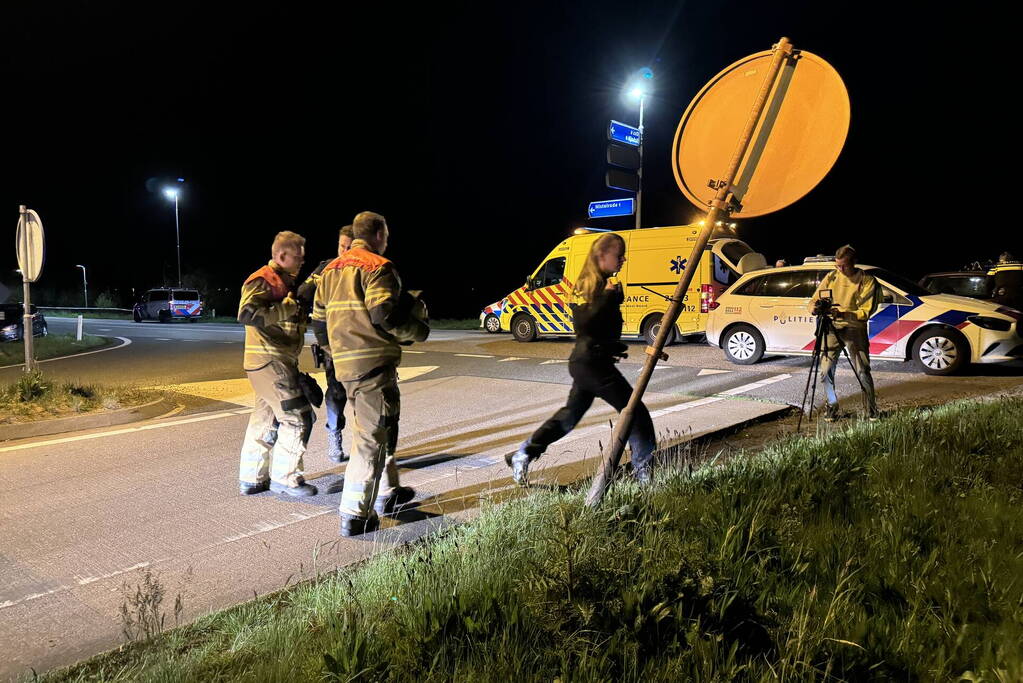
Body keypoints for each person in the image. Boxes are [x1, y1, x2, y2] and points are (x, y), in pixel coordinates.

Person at [313, 211, 429, 536]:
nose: (388, 241)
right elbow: (383, 314)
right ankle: (355, 514)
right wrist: (417, 330)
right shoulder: (378, 266)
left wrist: (333, 355)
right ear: (378, 234)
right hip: (372, 365)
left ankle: (389, 493)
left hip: (345, 366)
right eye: (387, 235)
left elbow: (319, 322)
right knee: (370, 437)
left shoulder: (329, 272)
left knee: (380, 427)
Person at [507, 233, 656, 486]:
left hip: (593, 362)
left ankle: (522, 454)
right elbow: (584, 325)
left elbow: (600, 329)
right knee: (636, 414)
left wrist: (615, 344)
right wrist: (609, 299)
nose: (623, 259)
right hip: (591, 364)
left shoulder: (604, 284)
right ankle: (645, 479)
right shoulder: (588, 285)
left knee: (568, 418)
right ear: (602, 256)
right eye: (618, 255)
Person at [237, 230, 318, 497]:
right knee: (298, 417)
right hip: (270, 360)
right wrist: (288, 307)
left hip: (271, 361)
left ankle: (252, 478)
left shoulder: (285, 283)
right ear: (282, 255)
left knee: (265, 418)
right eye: (298, 257)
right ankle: (286, 478)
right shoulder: (264, 279)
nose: (302, 262)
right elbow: (247, 314)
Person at [297, 225, 354, 463]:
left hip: (362, 345)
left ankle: (368, 446)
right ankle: (335, 436)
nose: (345, 251)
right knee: (337, 393)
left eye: (349, 247)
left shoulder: (367, 268)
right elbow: (302, 294)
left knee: (367, 397)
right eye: (342, 246)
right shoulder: (327, 268)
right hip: (334, 344)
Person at [807, 244, 881, 421]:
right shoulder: (831, 277)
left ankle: (871, 410)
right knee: (825, 371)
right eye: (837, 265)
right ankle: (831, 407)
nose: (840, 269)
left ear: (854, 262)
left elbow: (865, 311)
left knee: (862, 370)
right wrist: (814, 309)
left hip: (854, 329)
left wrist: (844, 313)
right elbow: (813, 300)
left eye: (844, 266)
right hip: (831, 328)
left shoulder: (866, 280)